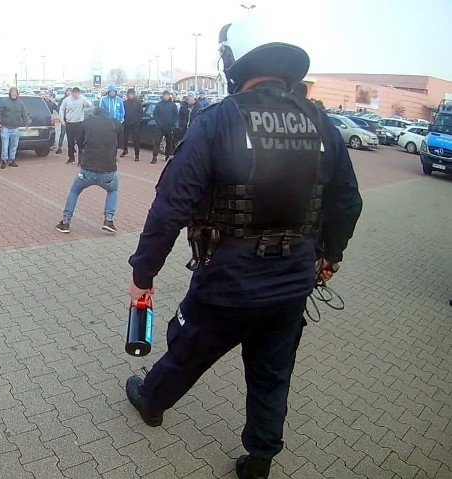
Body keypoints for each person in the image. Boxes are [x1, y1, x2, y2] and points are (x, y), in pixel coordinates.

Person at [124, 16, 363, 479]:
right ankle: (260, 459)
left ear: (233, 62)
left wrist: (143, 273)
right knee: (273, 372)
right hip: (294, 277)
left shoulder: (218, 119)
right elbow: (348, 200)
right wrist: (329, 256)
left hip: (229, 279)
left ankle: (151, 402)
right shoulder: (321, 123)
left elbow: (171, 205)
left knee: (187, 348)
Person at [55, 106, 124, 234]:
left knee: (75, 191)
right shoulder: (116, 123)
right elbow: (120, 145)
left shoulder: (87, 122)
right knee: (113, 190)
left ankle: (65, 222)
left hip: (87, 169)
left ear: (94, 114)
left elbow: (79, 142)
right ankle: (108, 220)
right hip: (108, 170)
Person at [0, 87, 32, 169]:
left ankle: (12, 160)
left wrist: (27, 124)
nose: (14, 94)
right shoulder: (4, 102)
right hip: (5, 128)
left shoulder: (21, 103)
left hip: (15, 128)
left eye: (15, 92)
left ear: (17, 94)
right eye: (12, 92)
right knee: (5, 146)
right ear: (10, 93)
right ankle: (4, 160)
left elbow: (24, 114)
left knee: (14, 146)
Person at [58, 87, 92, 164]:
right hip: (69, 123)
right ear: (72, 93)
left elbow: (89, 105)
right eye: (75, 94)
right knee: (70, 142)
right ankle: (71, 158)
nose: (76, 95)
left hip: (79, 123)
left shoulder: (82, 98)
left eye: (78, 94)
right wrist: (62, 120)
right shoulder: (67, 100)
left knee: (80, 142)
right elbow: (62, 109)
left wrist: (86, 102)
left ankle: (81, 160)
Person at [152, 90, 179, 163]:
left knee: (169, 142)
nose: (166, 97)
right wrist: (158, 122)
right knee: (157, 141)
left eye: (167, 95)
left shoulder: (173, 105)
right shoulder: (159, 104)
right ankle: (154, 157)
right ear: (163, 96)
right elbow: (155, 114)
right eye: (164, 95)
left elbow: (176, 115)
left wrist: (172, 124)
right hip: (160, 127)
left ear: (169, 96)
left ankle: (167, 156)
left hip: (169, 127)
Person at [121, 88, 144, 160]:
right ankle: (125, 150)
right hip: (126, 123)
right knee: (124, 138)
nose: (130, 96)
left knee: (136, 140)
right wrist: (123, 120)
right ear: (127, 95)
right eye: (129, 94)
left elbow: (141, 113)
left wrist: (137, 120)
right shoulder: (124, 103)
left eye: (131, 94)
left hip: (135, 124)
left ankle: (137, 154)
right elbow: (122, 112)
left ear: (134, 95)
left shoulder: (138, 103)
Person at [55, 88, 72, 154]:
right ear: (66, 92)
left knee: (72, 135)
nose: (69, 93)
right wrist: (62, 119)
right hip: (65, 119)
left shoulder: (74, 100)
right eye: (68, 92)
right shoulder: (62, 100)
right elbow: (60, 109)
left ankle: (71, 148)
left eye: (70, 92)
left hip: (72, 120)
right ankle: (60, 147)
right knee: (62, 133)